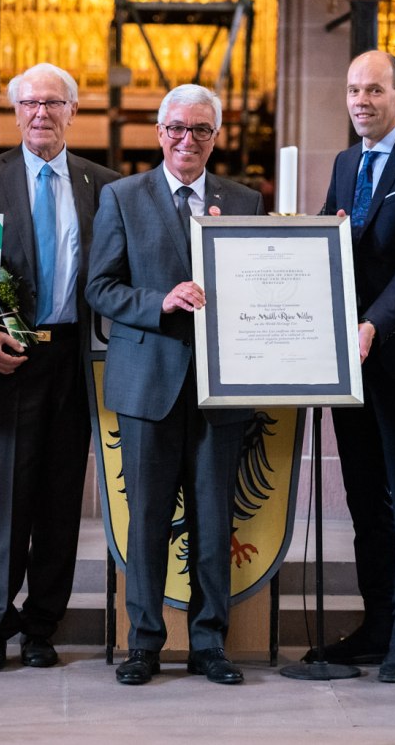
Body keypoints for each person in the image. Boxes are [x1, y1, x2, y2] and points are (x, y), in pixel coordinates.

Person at [86, 84, 265, 685]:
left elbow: (262, 282)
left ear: (218, 136)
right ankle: (145, 642)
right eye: (177, 128)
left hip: (222, 387)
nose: (188, 140)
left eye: (202, 130)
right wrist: (158, 301)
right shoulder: (121, 196)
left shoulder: (244, 200)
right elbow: (101, 287)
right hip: (148, 384)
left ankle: (210, 644)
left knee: (215, 522)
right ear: (159, 132)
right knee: (148, 520)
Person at [0, 63, 119, 672]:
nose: (41, 113)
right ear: (14, 110)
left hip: (73, 361)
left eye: (53, 103)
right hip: (4, 362)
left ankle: (42, 625)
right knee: (4, 498)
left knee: (58, 500)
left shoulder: (103, 185)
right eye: (29, 103)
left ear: (73, 112)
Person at [302, 50, 395, 682]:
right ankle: (373, 622)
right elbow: (322, 242)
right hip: (348, 362)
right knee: (365, 499)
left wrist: (371, 326)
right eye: (352, 90)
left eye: (373, 89)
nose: (361, 100)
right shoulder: (345, 164)